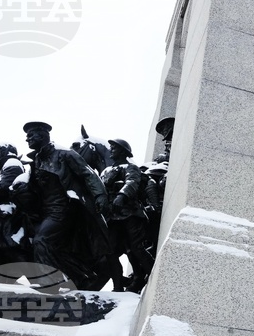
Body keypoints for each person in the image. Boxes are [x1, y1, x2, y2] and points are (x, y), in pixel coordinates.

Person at [21, 121, 112, 290]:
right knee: (51, 247)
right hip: (46, 211)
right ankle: (81, 277)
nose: (28, 139)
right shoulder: (36, 162)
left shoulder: (64, 154)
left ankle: (48, 283)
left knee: (42, 240)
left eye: (31, 135)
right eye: (27, 136)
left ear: (43, 134)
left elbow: (88, 174)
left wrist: (100, 195)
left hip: (65, 207)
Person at [99, 138, 154, 292]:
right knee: (110, 251)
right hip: (112, 216)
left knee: (136, 248)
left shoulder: (131, 167)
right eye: (110, 147)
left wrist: (122, 196)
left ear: (123, 151)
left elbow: (132, 182)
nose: (111, 150)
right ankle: (117, 287)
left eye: (114, 148)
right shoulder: (105, 171)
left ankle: (155, 277)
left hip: (130, 214)